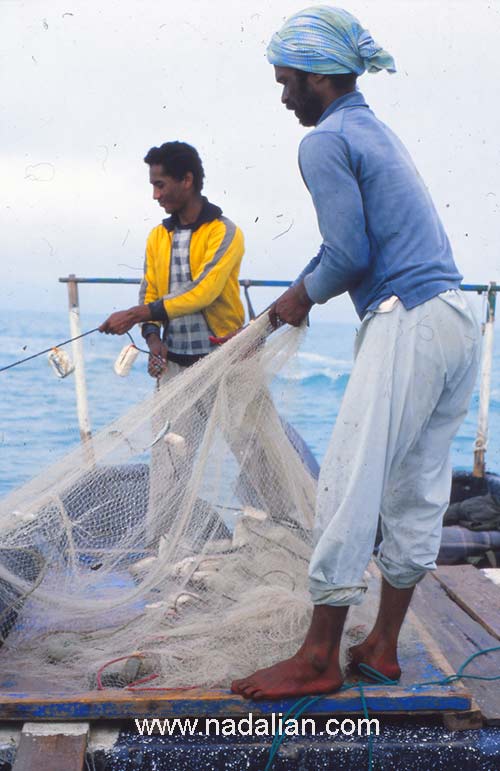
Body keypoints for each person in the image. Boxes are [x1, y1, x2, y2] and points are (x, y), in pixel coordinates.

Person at [231, 6, 480, 700]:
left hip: (406, 319)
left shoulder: (325, 141)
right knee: (418, 487)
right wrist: (286, 301)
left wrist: (298, 301)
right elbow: (345, 249)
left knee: (347, 479)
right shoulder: (373, 129)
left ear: (318, 75)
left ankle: (319, 656)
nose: (283, 97)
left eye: (286, 83)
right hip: (458, 318)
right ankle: (383, 645)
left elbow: (349, 254)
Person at [100, 141, 245, 541]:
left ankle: (287, 533)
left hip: (226, 359)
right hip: (177, 366)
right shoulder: (155, 237)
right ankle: (160, 546)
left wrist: (135, 315)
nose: (155, 195)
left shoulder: (225, 233)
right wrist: (151, 338)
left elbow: (204, 292)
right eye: (152, 185)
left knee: (252, 452)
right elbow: (150, 293)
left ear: (188, 180)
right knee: (168, 460)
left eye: (161, 185)